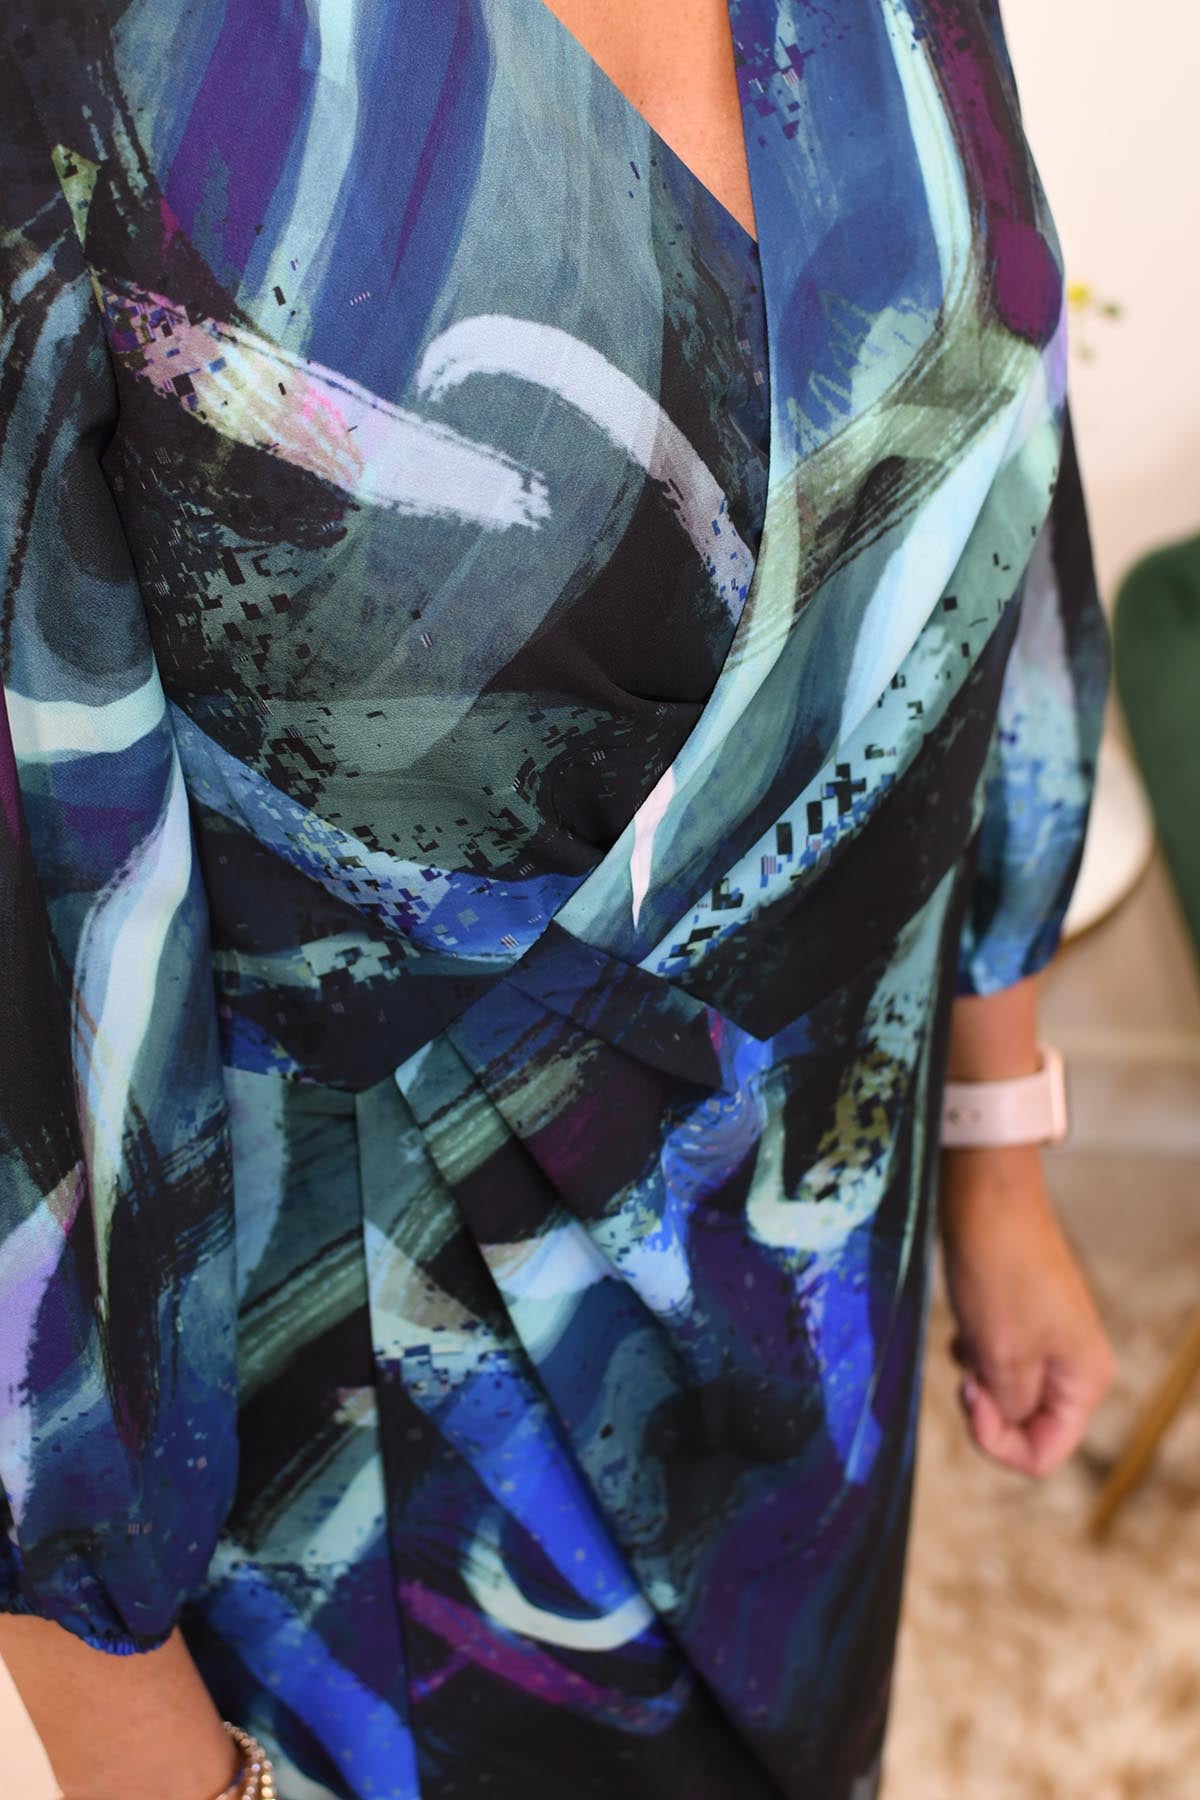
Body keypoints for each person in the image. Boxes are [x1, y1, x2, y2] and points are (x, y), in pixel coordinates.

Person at [0, 2, 1115, 1796]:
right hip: (401, 1483)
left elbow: (997, 517)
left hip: (831, 1310)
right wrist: (161, 1772)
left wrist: (995, 1148)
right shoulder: (78, 65)